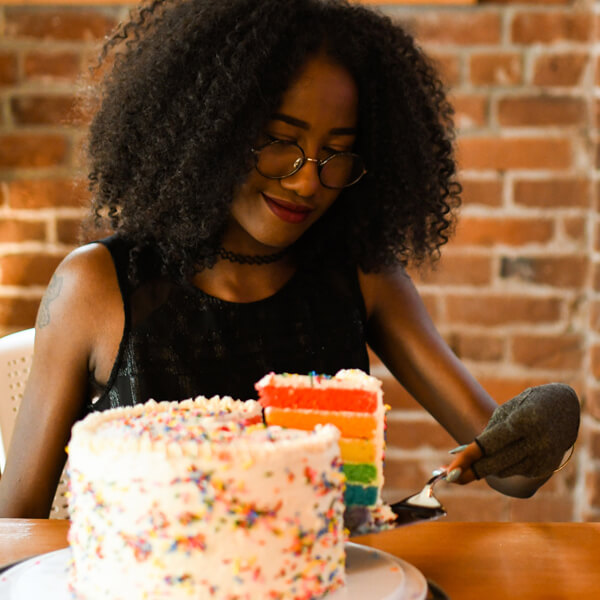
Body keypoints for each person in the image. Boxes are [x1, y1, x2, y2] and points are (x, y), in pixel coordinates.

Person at [0, 0, 579, 518]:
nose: (306, 182)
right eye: (280, 141)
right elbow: (13, 526)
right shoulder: (98, 285)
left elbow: (511, 472)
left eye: (336, 154)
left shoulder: (363, 277)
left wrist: (549, 418)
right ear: (211, 129)